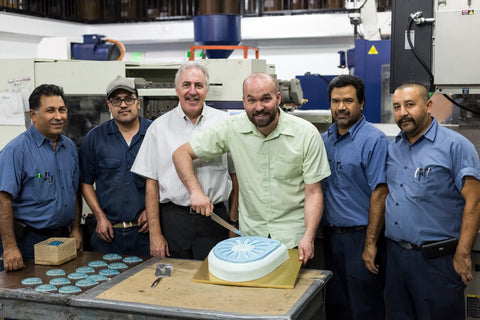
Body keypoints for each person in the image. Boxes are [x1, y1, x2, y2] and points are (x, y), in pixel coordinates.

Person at [172, 72, 331, 264]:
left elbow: (314, 193)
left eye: (266, 99)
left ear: (278, 98)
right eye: (251, 100)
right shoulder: (232, 129)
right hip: (252, 240)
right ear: (243, 102)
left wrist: (309, 236)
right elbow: (181, 154)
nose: (259, 107)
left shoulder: (306, 134)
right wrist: (196, 191)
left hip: (294, 240)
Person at [384, 82, 480, 320]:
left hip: (436, 262)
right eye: (397, 107)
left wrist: (463, 253)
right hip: (396, 257)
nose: (402, 113)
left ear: (428, 106)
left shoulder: (455, 146)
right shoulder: (394, 147)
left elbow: (475, 202)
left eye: (409, 105)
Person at [131, 61, 238, 260]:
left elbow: (235, 176)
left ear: (207, 89)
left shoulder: (225, 124)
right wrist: (155, 235)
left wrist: (233, 222)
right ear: (176, 89)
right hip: (173, 221)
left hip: (214, 220)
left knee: (214, 283)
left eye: (199, 85)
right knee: (174, 284)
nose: (192, 91)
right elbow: (151, 184)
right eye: (186, 85)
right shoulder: (159, 128)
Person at [321, 75, 388, 320]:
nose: (341, 107)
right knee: (336, 306)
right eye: (335, 101)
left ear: (361, 103)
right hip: (331, 238)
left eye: (348, 101)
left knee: (364, 309)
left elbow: (380, 193)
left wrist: (370, 245)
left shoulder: (373, 140)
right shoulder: (324, 140)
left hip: (362, 237)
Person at [0, 84, 82, 271]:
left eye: (62, 110)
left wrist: (76, 229)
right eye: (50, 110)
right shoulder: (16, 151)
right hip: (28, 241)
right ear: (34, 115)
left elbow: (75, 191)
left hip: (63, 238)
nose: (58, 117)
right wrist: (10, 248)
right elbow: (3, 199)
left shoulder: (69, 148)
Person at [80, 75, 152, 256]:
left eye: (128, 99)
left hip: (146, 233)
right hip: (108, 234)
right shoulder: (95, 138)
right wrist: (99, 217)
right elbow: (85, 182)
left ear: (138, 103)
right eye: (116, 100)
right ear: (109, 105)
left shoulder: (155, 133)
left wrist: (153, 211)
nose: (123, 105)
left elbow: (168, 178)